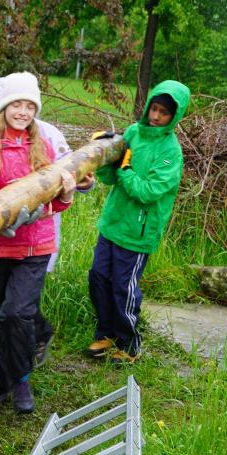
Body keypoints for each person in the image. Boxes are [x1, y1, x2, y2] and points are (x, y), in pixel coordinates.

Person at [0, 77, 94, 368]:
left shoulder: (44, 142)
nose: (22, 112)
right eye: (16, 104)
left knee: (18, 310)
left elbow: (61, 188)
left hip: (35, 242)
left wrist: (72, 188)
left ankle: (21, 374)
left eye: (30, 106)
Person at [86, 80, 190, 363]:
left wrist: (125, 168)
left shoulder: (171, 151)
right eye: (154, 109)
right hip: (113, 223)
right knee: (98, 278)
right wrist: (105, 154)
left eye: (164, 113)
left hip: (138, 233)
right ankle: (105, 333)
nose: (156, 116)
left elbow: (147, 192)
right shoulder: (133, 132)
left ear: (174, 116)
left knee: (124, 287)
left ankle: (129, 342)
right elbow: (110, 179)